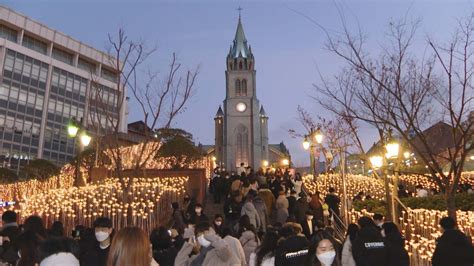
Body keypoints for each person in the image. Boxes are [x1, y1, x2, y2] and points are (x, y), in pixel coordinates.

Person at [174, 221, 240, 265]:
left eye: (204, 233)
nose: (202, 237)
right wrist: (188, 246)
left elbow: (224, 250)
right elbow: (178, 264)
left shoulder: (223, 253)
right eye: (198, 236)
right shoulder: (197, 257)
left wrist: (214, 238)